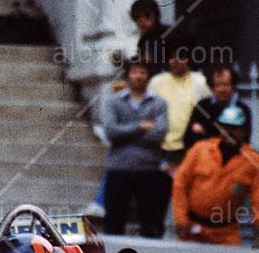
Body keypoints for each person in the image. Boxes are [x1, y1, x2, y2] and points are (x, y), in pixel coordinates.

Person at [172, 105, 259, 247]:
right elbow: (180, 183)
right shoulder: (200, 150)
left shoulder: (253, 161)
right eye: (225, 127)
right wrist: (181, 218)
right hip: (193, 229)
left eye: (234, 128)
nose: (228, 132)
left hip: (226, 233)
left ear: (244, 131)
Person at [102, 58, 169, 237]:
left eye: (142, 72)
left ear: (148, 76)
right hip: (119, 167)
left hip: (148, 168)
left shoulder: (159, 103)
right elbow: (111, 131)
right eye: (134, 72)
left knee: (151, 221)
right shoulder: (114, 102)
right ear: (128, 75)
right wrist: (140, 126)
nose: (138, 76)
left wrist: (125, 134)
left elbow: (159, 134)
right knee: (114, 220)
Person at [148, 35, 211, 170]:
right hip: (160, 149)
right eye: (171, 57)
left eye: (180, 56)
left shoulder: (200, 82)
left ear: (188, 58)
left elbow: (208, 112)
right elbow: (148, 111)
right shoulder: (157, 82)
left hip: (188, 148)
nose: (175, 61)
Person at [184, 63, 251, 148]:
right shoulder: (202, 106)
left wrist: (205, 134)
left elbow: (243, 142)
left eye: (226, 85)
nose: (222, 89)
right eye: (218, 85)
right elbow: (188, 138)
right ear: (212, 87)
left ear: (233, 86)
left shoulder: (243, 110)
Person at [130, 0, 169, 77]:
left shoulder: (169, 33)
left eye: (147, 16)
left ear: (156, 15)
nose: (142, 20)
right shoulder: (143, 39)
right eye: (137, 17)